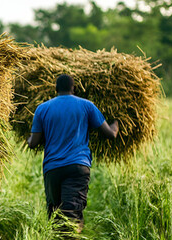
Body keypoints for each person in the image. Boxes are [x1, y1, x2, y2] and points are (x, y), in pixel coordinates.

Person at [27, 74, 119, 234]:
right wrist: (117, 123)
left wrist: (28, 139)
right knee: (72, 218)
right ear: (74, 88)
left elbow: (33, 142)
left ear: (56, 89)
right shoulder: (87, 106)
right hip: (78, 167)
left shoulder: (42, 109)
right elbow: (110, 134)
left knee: (56, 219)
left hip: (52, 170)